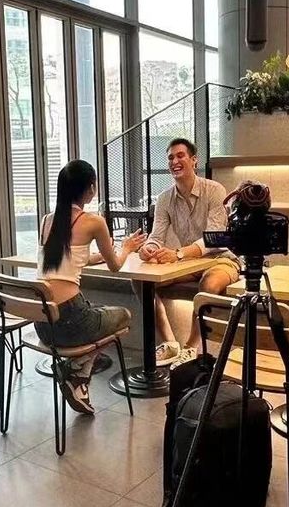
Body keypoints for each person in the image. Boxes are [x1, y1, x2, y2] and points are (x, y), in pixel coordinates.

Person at [37, 160, 146, 415]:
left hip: (43, 323)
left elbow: (69, 257)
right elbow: (115, 265)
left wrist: (94, 256)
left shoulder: (46, 220)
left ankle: (78, 374)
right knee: (124, 316)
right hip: (71, 320)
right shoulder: (93, 222)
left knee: (95, 309)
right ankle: (78, 368)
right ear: (91, 189)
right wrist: (127, 247)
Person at [136, 138, 242, 370]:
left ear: (194, 160)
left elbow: (214, 239)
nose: (174, 161)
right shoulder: (164, 198)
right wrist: (149, 247)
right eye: (170, 157)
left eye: (180, 155)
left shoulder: (215, 190)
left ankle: (192, 347)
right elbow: (157, 235)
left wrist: (178, 254)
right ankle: (170, 343)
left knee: (210, 283)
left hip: (221, 259)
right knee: (141, 281)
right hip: (188, 264)